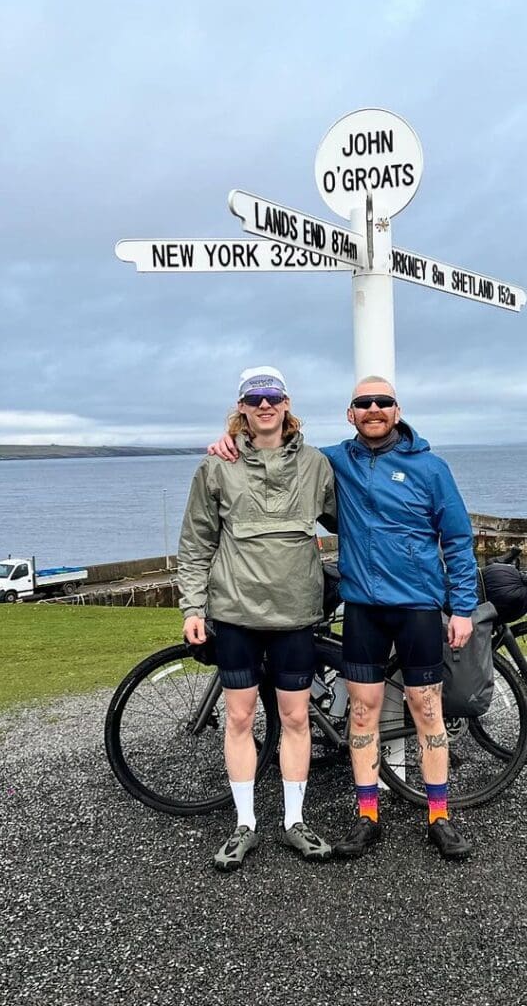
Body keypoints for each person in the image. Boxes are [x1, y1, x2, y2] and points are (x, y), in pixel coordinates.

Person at [210, 375, 478, 861]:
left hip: (418, 606)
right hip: (363, 609)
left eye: (383, 401)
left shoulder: (431, 468)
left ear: (397, 410)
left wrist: (461, 606)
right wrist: (231, 440)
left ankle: (439, 816)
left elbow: (458, 539)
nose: (374, 409)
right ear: (350, 414)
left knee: (427, 710)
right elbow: (279, 448)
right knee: (362, 712)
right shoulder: (333, 460)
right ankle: (367, 815)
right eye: (363, 403)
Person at [178, 366, 338, 872]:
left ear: (286, 403)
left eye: (272, 396)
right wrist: (192, 607)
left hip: (295, 613)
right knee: (241, 718)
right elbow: (196, 543)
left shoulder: (318, 465)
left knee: (295, 718)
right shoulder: (216, 467)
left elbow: (353, 519)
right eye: (254, 398)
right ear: (241, 408)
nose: (264, 405)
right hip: (235, 613)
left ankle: (294, 821)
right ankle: (244, 823)